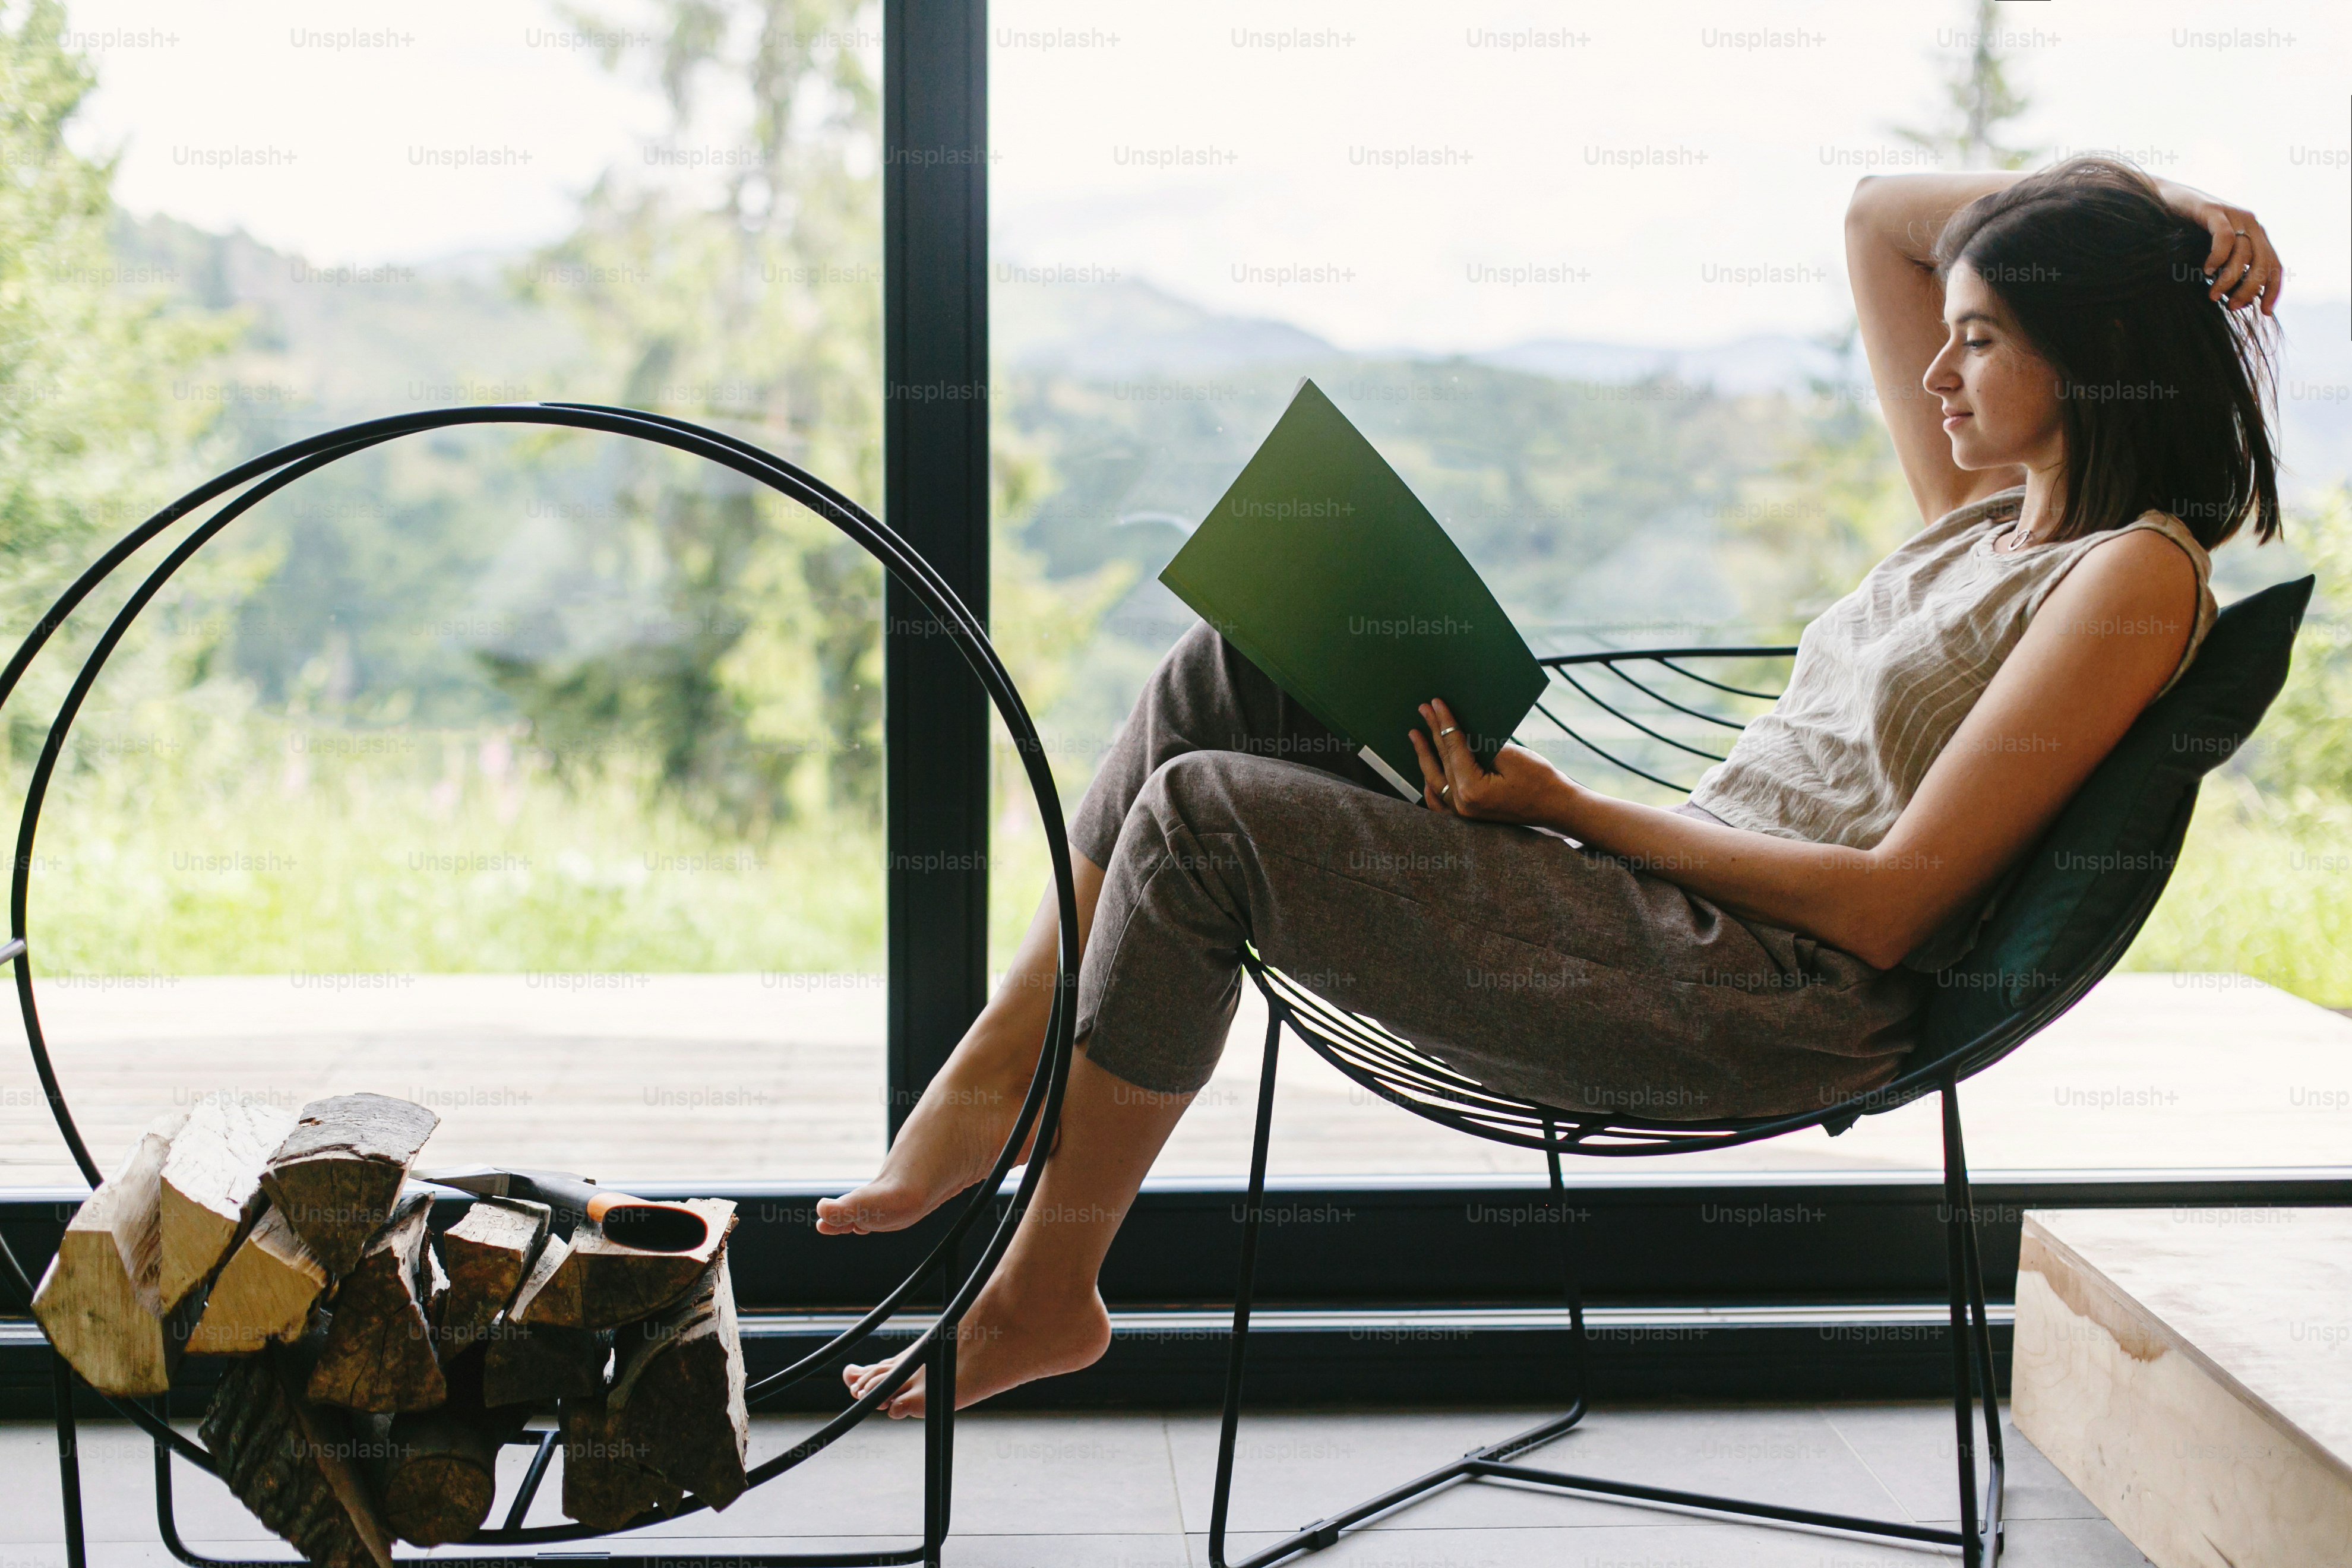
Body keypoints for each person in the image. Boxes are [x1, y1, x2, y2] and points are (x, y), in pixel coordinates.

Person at [818, 157, 2285, 1415]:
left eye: (1979, 340)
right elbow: (1873, 216)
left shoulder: (2132, 577)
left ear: (2096, 353)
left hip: (1762, 994)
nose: (1933, 373)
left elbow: (1894, 909)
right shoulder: (1985, 518)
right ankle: (1003, 1064)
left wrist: (1570, 808)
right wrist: (2165, 212)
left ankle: (1046, 1290)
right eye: (1947, 334)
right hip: (1657, 911)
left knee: (1204, 818)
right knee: (1229, 667)